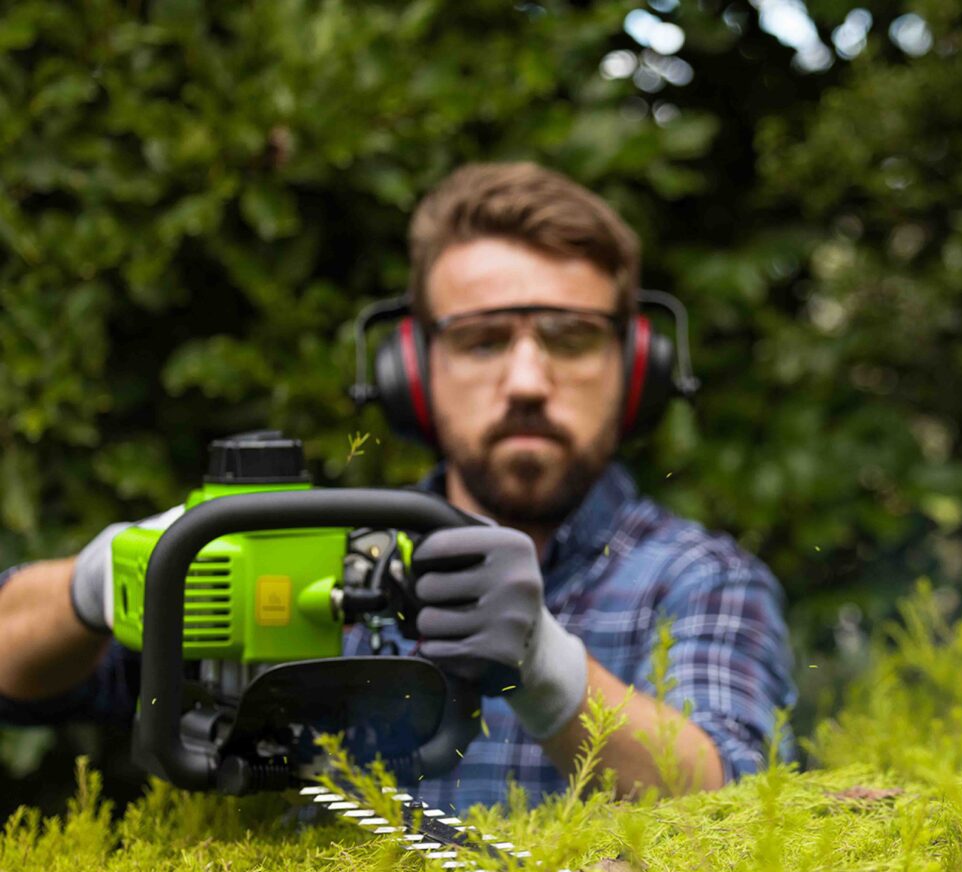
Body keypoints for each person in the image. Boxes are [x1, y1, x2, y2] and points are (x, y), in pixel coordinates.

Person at [0, 162, 796, 812]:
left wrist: (551, 670)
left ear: (637, 372)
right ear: (412, 372)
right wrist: (104, 577)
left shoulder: (698, 580)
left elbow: (740, 803)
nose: (527, 379)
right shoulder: (315, 560)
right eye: (483, 340)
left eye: (571, 336)